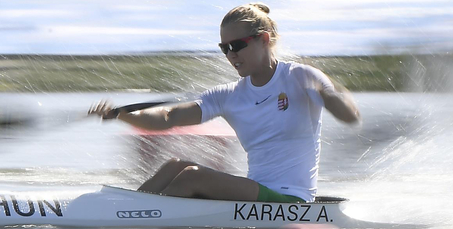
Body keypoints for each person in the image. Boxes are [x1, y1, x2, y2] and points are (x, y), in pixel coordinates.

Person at [89, 3, 360, 202]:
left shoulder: (300, 77)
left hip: (292, 199)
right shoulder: (228, 95)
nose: (231, 54)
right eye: (224, 48)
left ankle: (146, 219)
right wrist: (121, 114)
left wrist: (328, 95)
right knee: (175, 166)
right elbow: (169, 118)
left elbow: (350, 116)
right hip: (256, 193)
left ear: (264, 39)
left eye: (237, 45)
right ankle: (130, 210)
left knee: (192, 176)